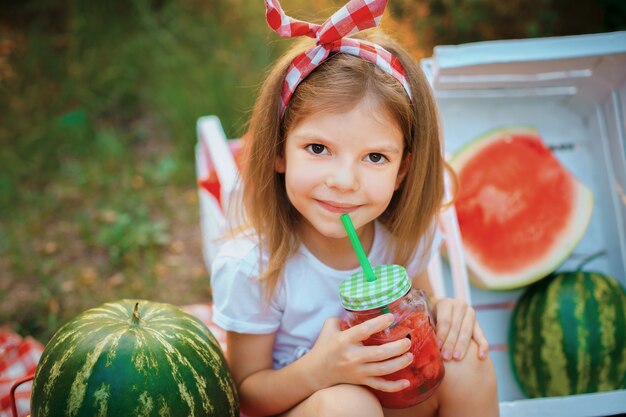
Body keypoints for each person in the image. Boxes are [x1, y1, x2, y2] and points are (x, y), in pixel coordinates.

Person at [210, 0, 499, 416]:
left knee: (465, 359)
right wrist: (320, 370)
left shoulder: (403, 239)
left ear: (403, 170)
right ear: (279, 151)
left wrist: (444, 314)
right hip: (313, 407)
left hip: (395, 402)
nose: (344, 180)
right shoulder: (255, 265)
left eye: (375, 157)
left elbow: (417, 313)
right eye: (318, 148)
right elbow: (246, 397)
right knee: (349, 404)